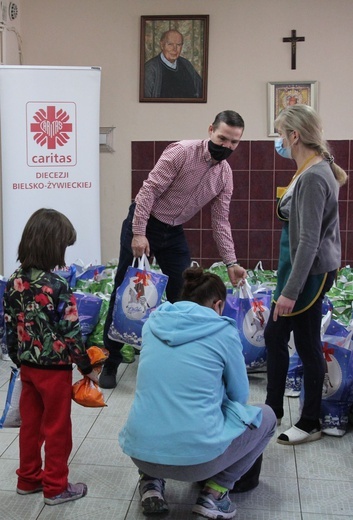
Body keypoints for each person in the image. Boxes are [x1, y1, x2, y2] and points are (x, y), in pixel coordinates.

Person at [100, 110, 247, 388]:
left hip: (174, 231)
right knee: (125, 288)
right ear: (210, 130)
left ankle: (177, 359)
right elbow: (148, 191)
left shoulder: (225, 176)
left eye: (234, 142)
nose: (226, 146)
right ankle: (112, 359)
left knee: (185, 293)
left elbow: (220, 221)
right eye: (222, 138)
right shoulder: (182, 152)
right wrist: (139, 232)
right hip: (145, 221)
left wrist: (231, 262)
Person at [119, 266, 276, 518]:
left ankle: (150, 484)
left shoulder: (152, 323)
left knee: (159, 402)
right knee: (266, 417)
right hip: (198, 463)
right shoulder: (224, 331)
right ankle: (214, 495)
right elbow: (240, 397)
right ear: (218, 305)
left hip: (141, 453)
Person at [4, 208, 100, 505]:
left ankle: (27, 479)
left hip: (27, 367)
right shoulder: (57, 286)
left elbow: (8, 325)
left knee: (31, 426)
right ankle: (56, 487)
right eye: (63, 246)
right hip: (55, 371)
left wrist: (19, 358)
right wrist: (87, 366)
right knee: (57, 428)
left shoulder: (14, 280)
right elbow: (71, 334)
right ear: (52, 245)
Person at [264, 104, 348, 445]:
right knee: (277, 336)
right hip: (299, 269)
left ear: (294, 135)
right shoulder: (312, 167)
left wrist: (290, 291)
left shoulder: (314, 176)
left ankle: (309, 420)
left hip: (307, 274)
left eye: (281, 134)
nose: (279, 141)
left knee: (305, 343)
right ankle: (273, 410)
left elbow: (309, 241)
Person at [144, 29, 202, 98]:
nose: (174, 49)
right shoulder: (150, 69)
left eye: (178, 45)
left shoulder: (186, 65)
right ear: (162, 45)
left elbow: (201, 91)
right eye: (170, 44)